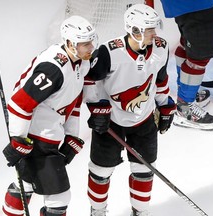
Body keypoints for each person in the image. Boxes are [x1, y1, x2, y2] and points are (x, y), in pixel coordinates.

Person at [83, 4, 176, 216]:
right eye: (149, 29)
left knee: (144, 171)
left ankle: (140, 212)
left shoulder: (161, 47)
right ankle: (97, 211)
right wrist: (97, 109)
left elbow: (160, 79)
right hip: (111, 122)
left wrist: (166, 107)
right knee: (100, 172)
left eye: (154, 28)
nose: (155, 33)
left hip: (143, 120)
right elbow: (90, 80)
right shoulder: (109, 51)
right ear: (134, 31)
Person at [1, 15, 98, 216]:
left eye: (91, 41)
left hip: (50, 132)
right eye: (85, 43)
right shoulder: (54, 68)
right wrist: (18, 140)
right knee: (59, 198)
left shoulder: (81, 63)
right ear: (70, 44)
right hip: (36, 136)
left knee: (26, 184)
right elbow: (20, 103)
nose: (91, 47)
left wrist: (72, 135)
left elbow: (72, 102)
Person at [160, 0, 213, 131]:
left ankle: (186, 95)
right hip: (194, 4)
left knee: (190, 44)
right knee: (202, 50)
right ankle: (185, 108)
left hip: (187, 5)